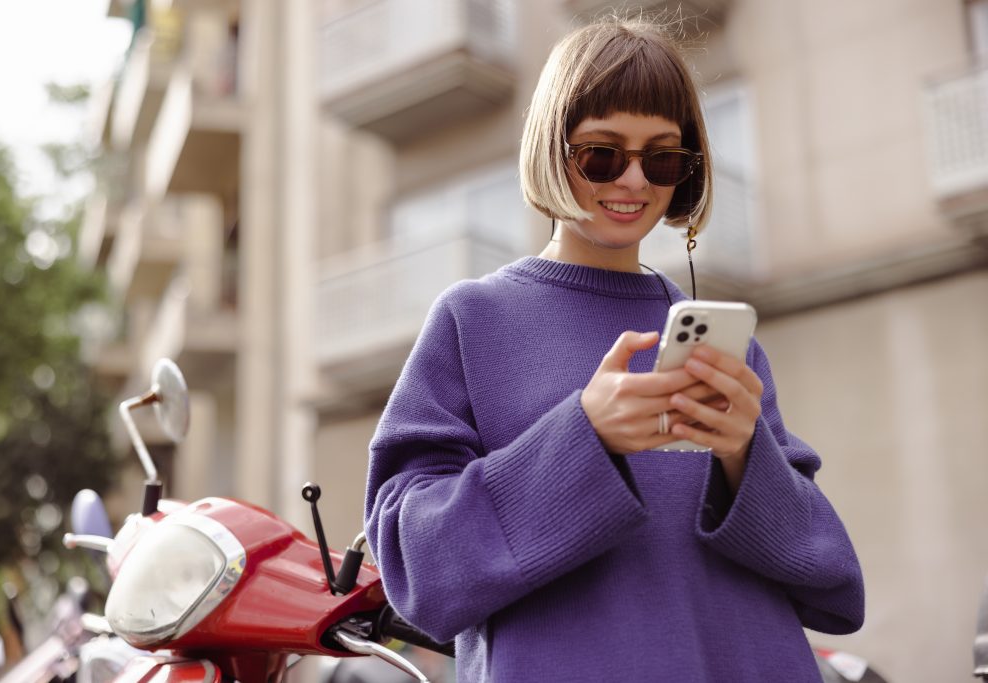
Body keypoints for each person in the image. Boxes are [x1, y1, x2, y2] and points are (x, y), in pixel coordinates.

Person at [364, 14, 864, 682]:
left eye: (662, 158)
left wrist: (746, 457)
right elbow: (417, 571)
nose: (633, 180)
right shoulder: (472, 320)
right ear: (550, 146)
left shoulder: (719, 343)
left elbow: (834, 585)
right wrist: (585, 438)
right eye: (602, 153)